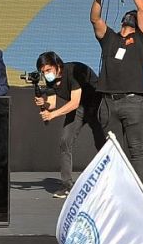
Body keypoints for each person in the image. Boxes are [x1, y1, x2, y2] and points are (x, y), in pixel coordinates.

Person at [90, 0, 143, 180]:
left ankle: (140, 194)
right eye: (129, 14)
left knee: (136, 149)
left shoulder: (141, 39)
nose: (132, 15)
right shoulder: (111, 39)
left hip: (133, 100)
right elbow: (95, 19)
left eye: (133, 15)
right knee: (111, 151)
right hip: (108, 101)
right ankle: (114, 191)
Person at [33, 51, 102, 197]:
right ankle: (67, 185)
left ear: (57, 66)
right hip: (78, 109)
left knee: (102, 143)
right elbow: (51, 104)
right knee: (65, 141)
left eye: (48, 70)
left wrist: (52, 115)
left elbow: (74, 102)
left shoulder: (72, 72)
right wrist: (44, 103)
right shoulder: (50, 80)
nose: (46, 74)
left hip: (96, 104)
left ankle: (109, 181)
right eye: (43, 72)